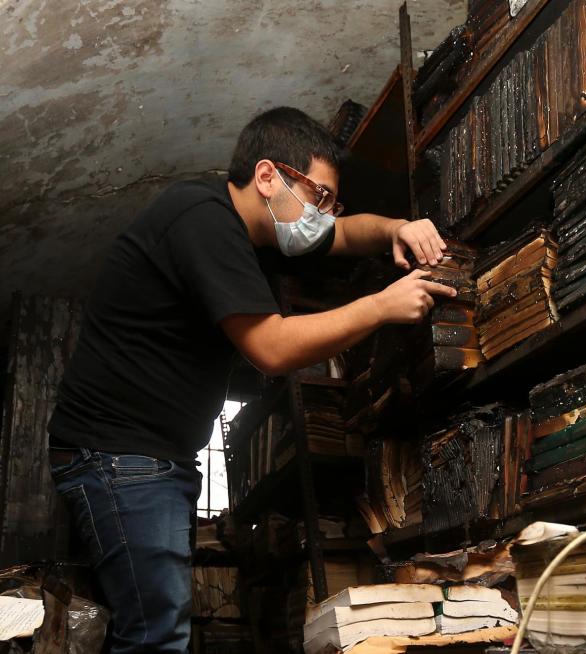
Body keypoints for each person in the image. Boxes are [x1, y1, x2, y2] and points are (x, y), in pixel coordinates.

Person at [46, 107, 456, 652]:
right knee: (155, 634)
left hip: (149, 457)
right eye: (319, 196)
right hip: (120, 454)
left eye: (332, 202)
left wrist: (396, 230)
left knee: (153, 625)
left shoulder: (257, 233)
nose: (324, 213)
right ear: (268, 176)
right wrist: (382, 306)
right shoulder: (203, 220)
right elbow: (272, 348)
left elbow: (343, 236)